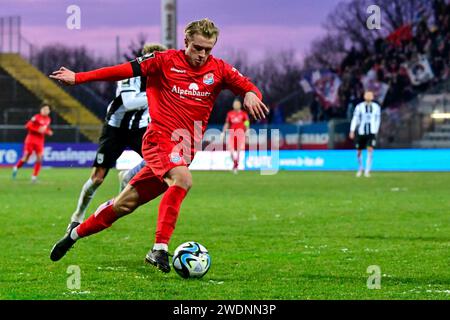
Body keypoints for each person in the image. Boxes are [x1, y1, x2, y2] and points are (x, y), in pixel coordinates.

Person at [49, 18, 268, 273]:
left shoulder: (219, 69)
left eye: (208, 49)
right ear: (186, 41)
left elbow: (248, 86)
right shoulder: (163, 61)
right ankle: (159, 248)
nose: (202, 54)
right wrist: (79, 77)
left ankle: (73, 235)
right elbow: (119, 70)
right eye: (198, 47)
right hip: (159, 141)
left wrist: (252, 92)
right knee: (183, 180)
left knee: (124, 204)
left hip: (185, 151)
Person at [67, 43, 167, 232]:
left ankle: (128, 176)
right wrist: (161, 95)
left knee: (157, 159)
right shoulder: (131, 74)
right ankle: (78, 215)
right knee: (97, 178)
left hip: (140, 128)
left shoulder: (162, 79)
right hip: (116, 128)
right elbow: (129, 103)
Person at [12, 103, 53, 183]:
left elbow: (45, 129)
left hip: (40, 141)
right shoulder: (36, 117)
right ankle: (16, 167)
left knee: (40, 158)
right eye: (44, 109)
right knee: (27, 156)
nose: (45, 111)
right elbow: (27, 126)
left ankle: (34, 177)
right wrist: (37, 130)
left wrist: (48, 131)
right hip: (31, 139)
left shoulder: (48, 119)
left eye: (47, 109)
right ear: (41, 110)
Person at [349, 91, 381, 178]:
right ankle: (360, 168)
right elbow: (355, 119)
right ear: (364, 96)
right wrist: (352, 130)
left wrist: (376, 130)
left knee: (370, 150)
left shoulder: (376, 107)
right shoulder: (359, 107)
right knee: (359, 152)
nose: (369, 96)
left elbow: (377, 120)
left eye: (370, 95)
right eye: (367, 95)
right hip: (361, 132)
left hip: (371, 132)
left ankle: (367, 170)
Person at [221, 98, 250, 174]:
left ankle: (235, 166)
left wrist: (247, 131)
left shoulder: (244, 114)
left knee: (239, 151)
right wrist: (223, 132)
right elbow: (227, 124)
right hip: (232, 134)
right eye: (234, 104)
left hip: (240, 134)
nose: (235, 105)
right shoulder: (230, 114)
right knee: (230, 150)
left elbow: (246, 123)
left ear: (240, 105)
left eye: (237, 104)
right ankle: (235, 163)